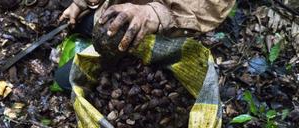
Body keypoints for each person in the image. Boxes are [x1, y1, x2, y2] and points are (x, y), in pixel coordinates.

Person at [55, 0, 235, 90]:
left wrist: (154, 13)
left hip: (170, 19)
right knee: (85, 23)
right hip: (124, 6)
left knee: (66, 80)